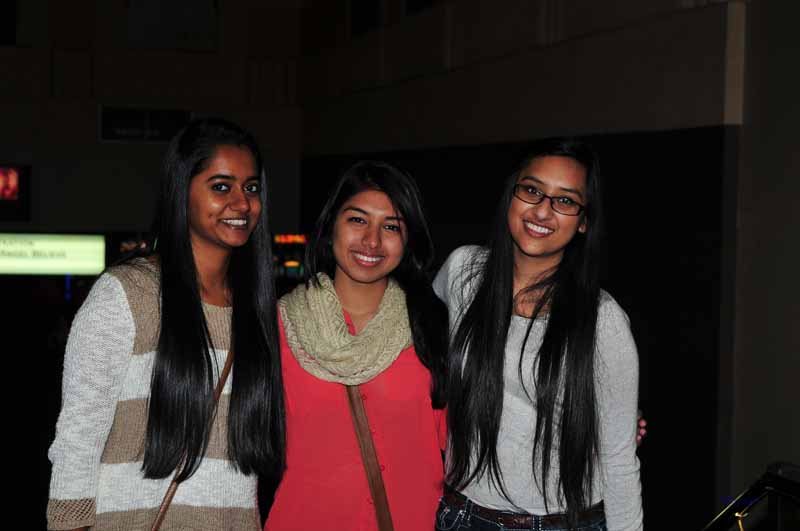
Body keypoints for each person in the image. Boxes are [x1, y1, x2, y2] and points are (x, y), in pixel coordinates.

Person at [47, 118, 285, 531]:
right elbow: (78, 435)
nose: (242, 204)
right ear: (181, 190)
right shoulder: (127, 294)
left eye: (251, 188)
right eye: (221, 187)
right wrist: (69, 522)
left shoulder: (257, 307)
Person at [434, 138, 643, 531]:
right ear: (511, 197)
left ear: (583, 221)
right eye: (532, 190)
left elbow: (618, 460)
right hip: (462, 516)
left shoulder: (604, 321)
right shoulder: (463, 272)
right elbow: (414, 345)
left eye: (565, 201)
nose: (543, 210)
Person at [264, 161, 448, 531]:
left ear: (408, 238)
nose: (372, 241)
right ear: (331, 224)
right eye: (358, 220)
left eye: (391, 226)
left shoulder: (432, 325)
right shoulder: (278, 326)